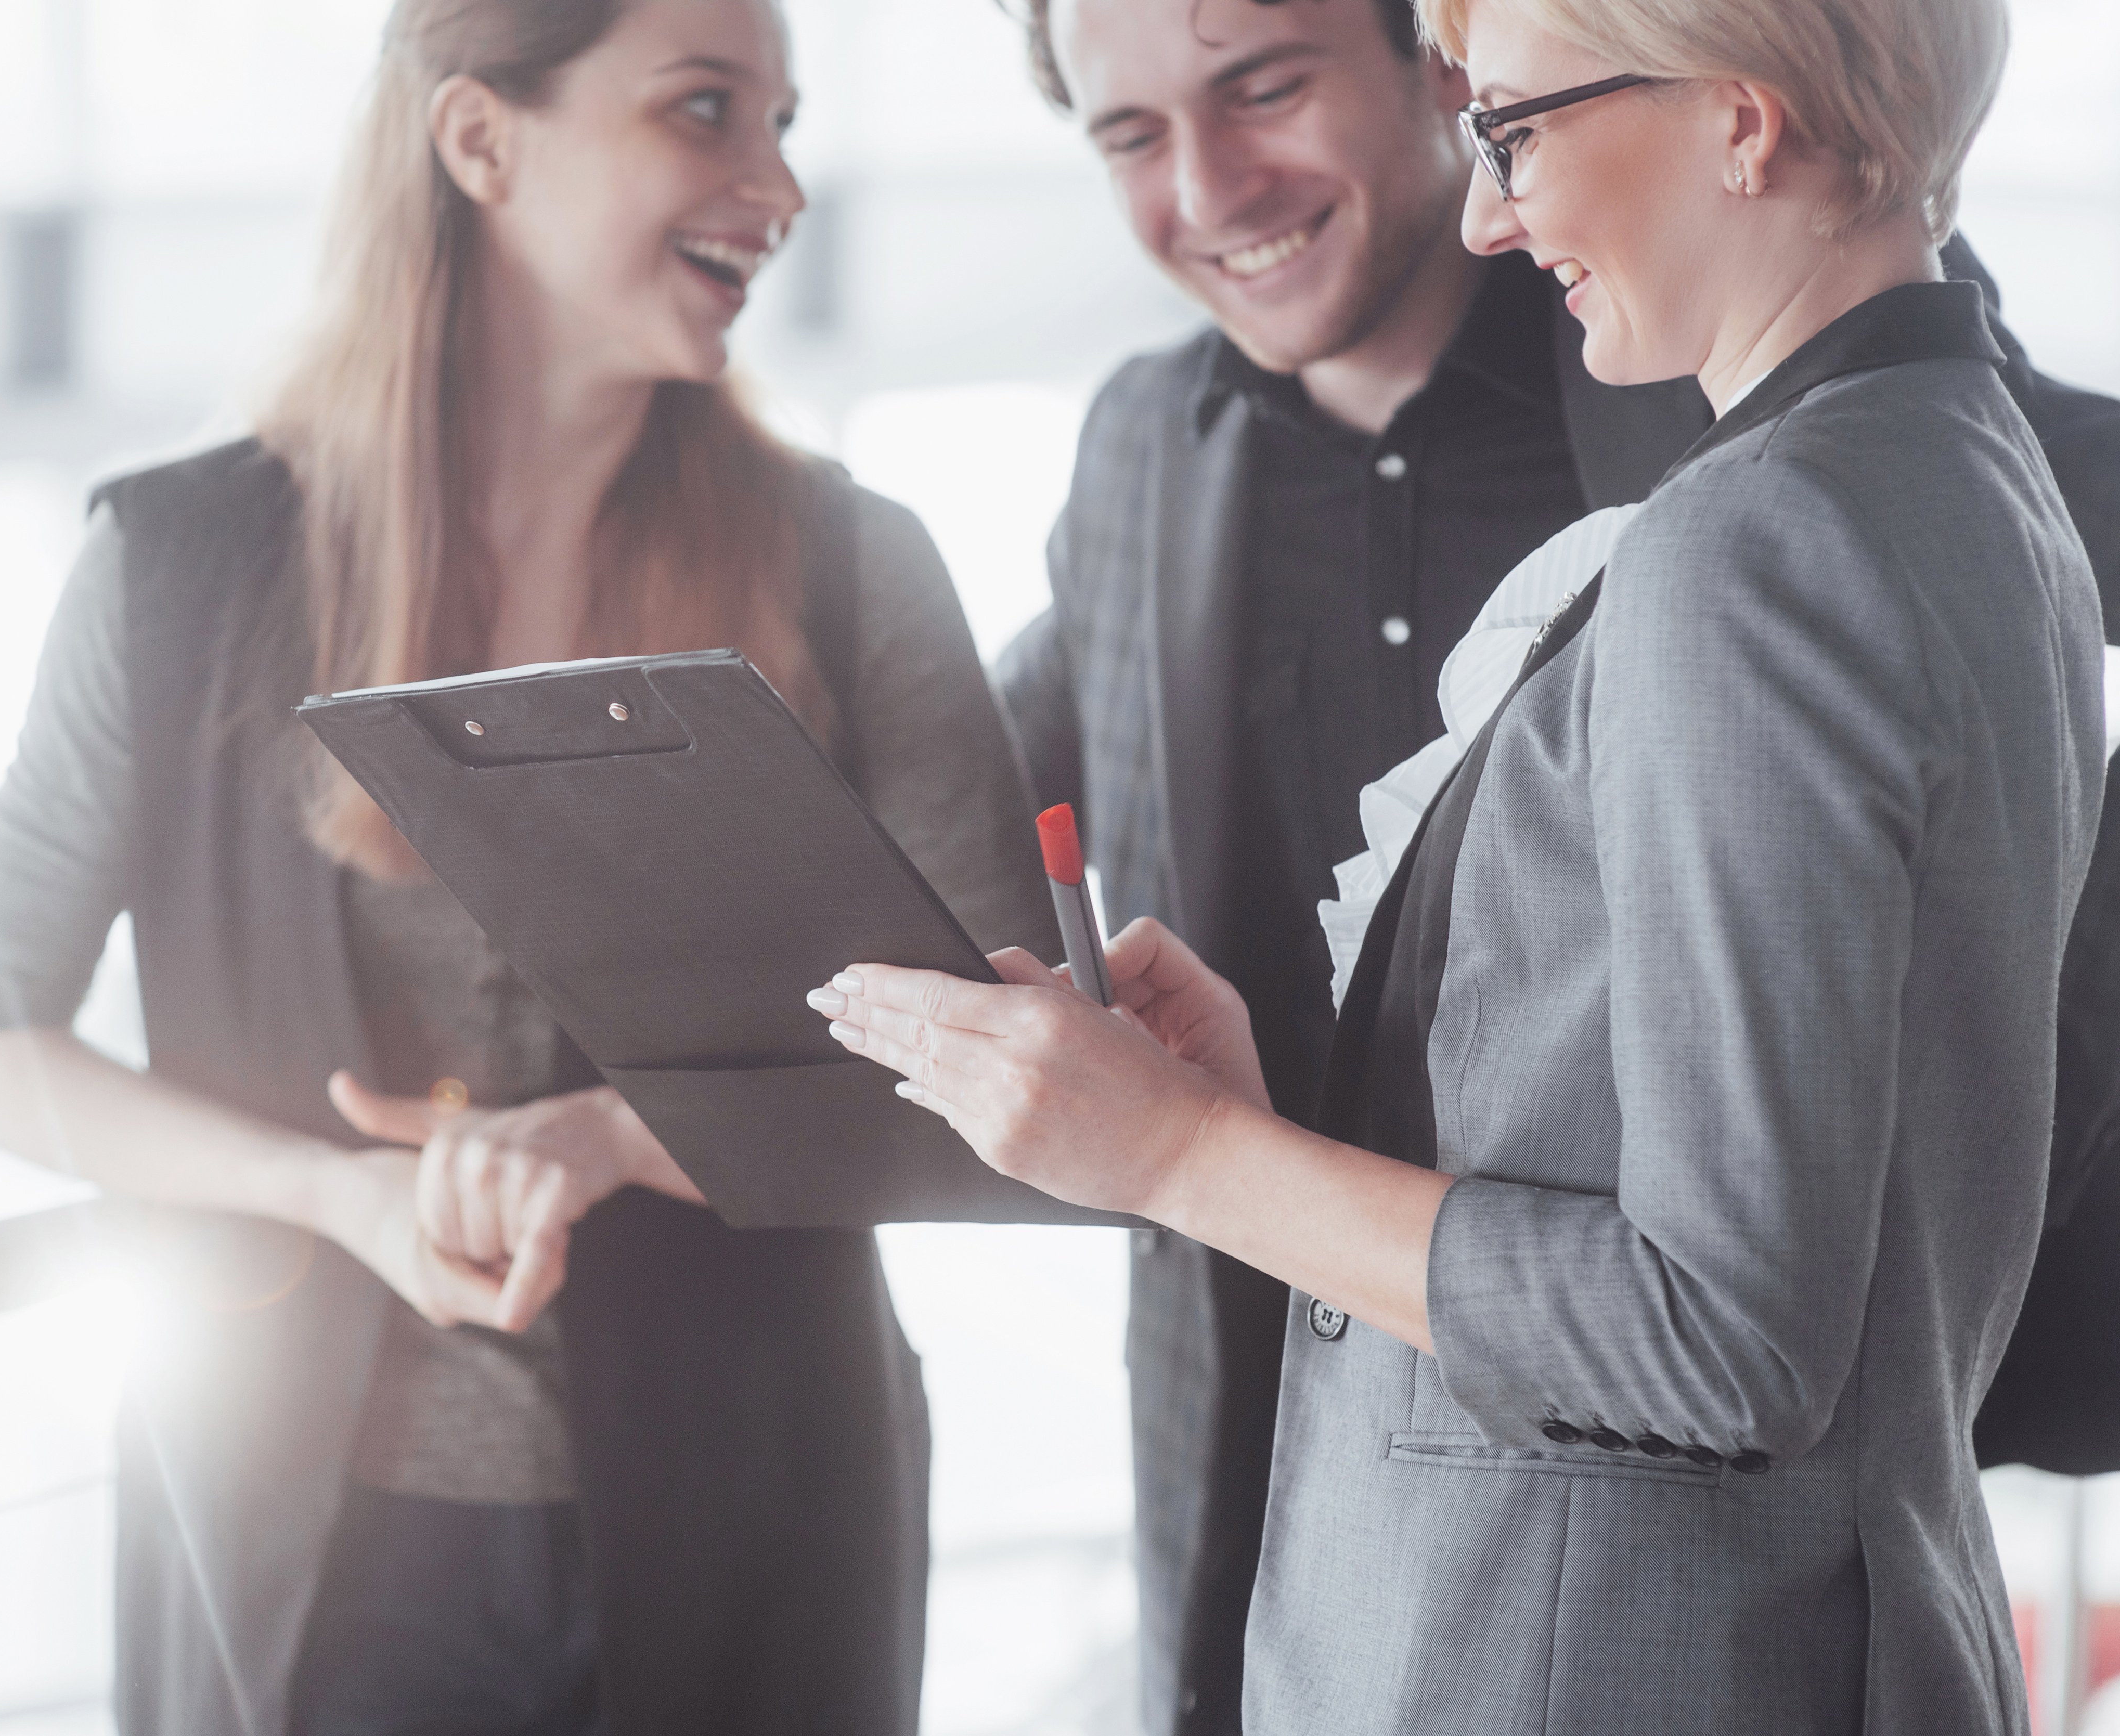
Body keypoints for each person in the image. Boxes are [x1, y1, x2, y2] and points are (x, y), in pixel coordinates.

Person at [823, 0, 2109, 1726]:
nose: (1490, 209)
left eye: (1510, 125)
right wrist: (1261, 1124)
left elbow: (1722, 1332)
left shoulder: (1755, 542)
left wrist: (1192, 1153)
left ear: (1741, 122)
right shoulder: (1964, 467)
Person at [0, 2, 1052, 1732]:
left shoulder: (855, 566)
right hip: (307, 1540)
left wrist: (603, 1138)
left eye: (786, 121)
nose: (780, 186)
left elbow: (1014, 1072)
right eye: (705, 112)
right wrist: (345, 1196)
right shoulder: (176, 566)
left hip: (759, 1512)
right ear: (479, 142)